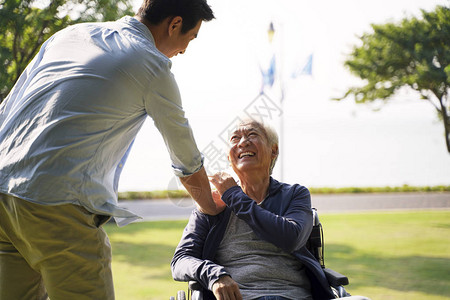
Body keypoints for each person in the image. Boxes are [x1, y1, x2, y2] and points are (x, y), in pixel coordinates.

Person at [0, 0, 222, 299]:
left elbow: (7, 110)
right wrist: (212, 207)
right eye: (189, 38)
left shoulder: (69, 35)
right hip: (56, 203)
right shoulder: (152, 66)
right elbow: (186, 160)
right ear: (174, 24)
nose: (183, 50)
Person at [171, 118, 370, 300]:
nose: (243, 142)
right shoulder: (212, 203)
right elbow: (180, 260)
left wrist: (234, 196)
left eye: (252, 135)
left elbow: (291, 238)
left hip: (294, 296)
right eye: (235, 138)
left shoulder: (295, 195)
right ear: (230, 156)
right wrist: (214, 274)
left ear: (273, 151)